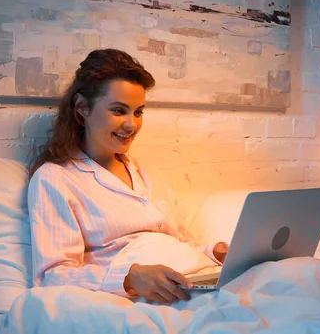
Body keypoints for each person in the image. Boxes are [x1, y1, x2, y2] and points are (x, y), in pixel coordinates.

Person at [27, 49, 228, 304]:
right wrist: (130, 278)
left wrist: (214, 252)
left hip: (196, 279)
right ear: (82, 109)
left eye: (138, 112)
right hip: (150, 298)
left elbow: (177, 243)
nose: (132, 125)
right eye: (119, 111)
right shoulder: (56, 179)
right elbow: (53, 277)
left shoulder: (146, 174)